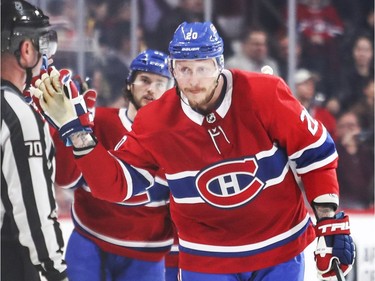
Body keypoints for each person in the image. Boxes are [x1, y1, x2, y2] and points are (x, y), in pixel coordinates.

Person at [34, 21, 355, 281]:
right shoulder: (155, 122)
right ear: (173, 69)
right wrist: (76, 134)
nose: (194, 80)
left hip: (282, 247)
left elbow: (315, 154)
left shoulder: (264, 93)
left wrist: (328, 221)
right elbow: (116, 186)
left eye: (202, 68)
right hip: (208, 257)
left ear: (219, 64)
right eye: (185, 69)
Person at [51, 50, 178, 281]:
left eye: (160, 83)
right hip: (90, 239)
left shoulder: (178, 138)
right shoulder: (99, 120)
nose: (151, 88)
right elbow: (66, 179)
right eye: (145, 80)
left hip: (147, 253)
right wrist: (65, 130)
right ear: (129, 84)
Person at [1, 1, 68, 281]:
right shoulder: (17, 114)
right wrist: (56, 271)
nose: (45, 56)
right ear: (26, 49)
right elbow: (33, 210)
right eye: (43, 45)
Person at [335, 111, 374, 209]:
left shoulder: (367, 152)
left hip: (365, 203)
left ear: (358, 128)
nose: (347, 130)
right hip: (341, 202)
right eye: (343, 126)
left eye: (351, 125)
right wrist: (345, 147)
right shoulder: (333, 151)